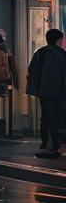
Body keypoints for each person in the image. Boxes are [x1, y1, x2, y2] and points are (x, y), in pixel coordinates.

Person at [29, 29, 66, 159]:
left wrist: (36, 88)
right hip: (59, 92)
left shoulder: (40, 52)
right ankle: (53, 143)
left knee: (46, 116)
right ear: (58, 40)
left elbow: (32, 70)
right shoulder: (61, 54)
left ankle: (45, 142)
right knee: (57, 117)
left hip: (43, 92)